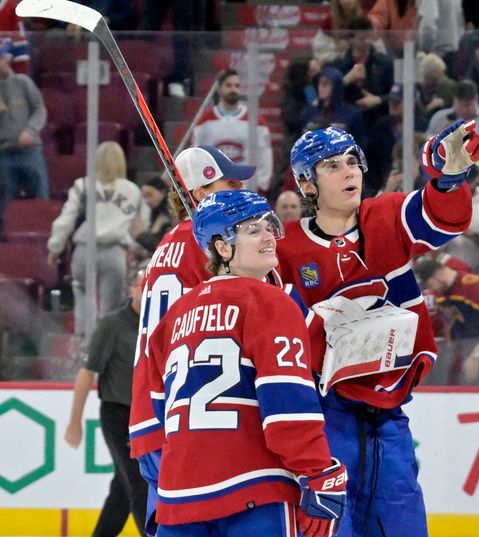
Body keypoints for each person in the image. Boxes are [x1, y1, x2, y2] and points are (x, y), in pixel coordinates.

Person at [281, 119, 479, 535]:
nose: (349, 172)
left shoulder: (385, 215)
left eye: (352, 162)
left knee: (402, 522)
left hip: (387, 413)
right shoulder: (284, 247)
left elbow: (438, 218)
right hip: (322, 419)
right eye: (332, 166)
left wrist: (447, 179)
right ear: (307, 184)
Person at [144, 189, 346, 537]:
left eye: (268, 226)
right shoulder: (270, 302)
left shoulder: (174, 317)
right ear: (222, 248)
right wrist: (318, 473)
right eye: (253, 231)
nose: (269, 236)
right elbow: (288, 411)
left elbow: (160, 410)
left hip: (178, 497)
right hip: (254, 490)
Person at [127, 145, 259, 536]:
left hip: (156, 415)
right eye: (230, 182)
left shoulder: (170, 244)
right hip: (185, 420)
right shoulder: (209, 248)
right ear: (200, 194)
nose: (241, 189)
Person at [65, 265, 149, 537]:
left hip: (146, 417)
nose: (145, 290)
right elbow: (87, 372)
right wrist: (74, 421)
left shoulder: (160, 323)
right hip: (118, 414)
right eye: (140, 284)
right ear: (131, 289)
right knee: (138, 482)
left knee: (122, 488)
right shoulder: (113, 324)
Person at [46, 141, 142, 339]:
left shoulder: (83, 185)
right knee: (111, 305)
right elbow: (140, 226)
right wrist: (135, 250)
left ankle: (85, 345)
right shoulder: (132, 190)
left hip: (84, 249)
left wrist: (56, 246)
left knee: (82, 293)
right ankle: (104, 350)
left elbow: (67, 219)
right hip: (115, 250)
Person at [416, 256, 479, 385]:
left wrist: (476, 355)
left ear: (439, 275)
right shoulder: (440, 294)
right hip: (457, 358)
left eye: (430, 284)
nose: (432, 290)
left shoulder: (473, 285)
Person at [191, 69, 274, 193]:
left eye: (237, 86)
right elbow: (196, 154)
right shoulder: (204, 120)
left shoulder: (256, 121)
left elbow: (265, 154)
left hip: (246, 187)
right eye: (229, 85)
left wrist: (261, 185)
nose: (233, 89)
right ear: (219, 89)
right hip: (215, 188)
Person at [0, 40, 49, 223]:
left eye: (5, 57)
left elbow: (39, 109)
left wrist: (30, 130)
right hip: (4, 152)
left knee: (40, 190)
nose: (4, 61)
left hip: (30, 150)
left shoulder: (23, 82)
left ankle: (43, 229)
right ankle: (9, 236)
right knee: (7, 199)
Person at [426, 79, 479, 151]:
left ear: (476, 99)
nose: (463, 109)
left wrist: (473, 138)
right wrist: (440, 135)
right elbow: (426, 144)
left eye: (468, 105)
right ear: (454, 100)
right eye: (460, 105)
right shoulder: (440, 117)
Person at [130, 177, 175, 261]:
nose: (147, 200)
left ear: (162, 192)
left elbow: (162, 245)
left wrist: (140, 235)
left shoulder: (171, 215)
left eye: (150, 195)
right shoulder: (154, 213)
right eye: (144, 197)